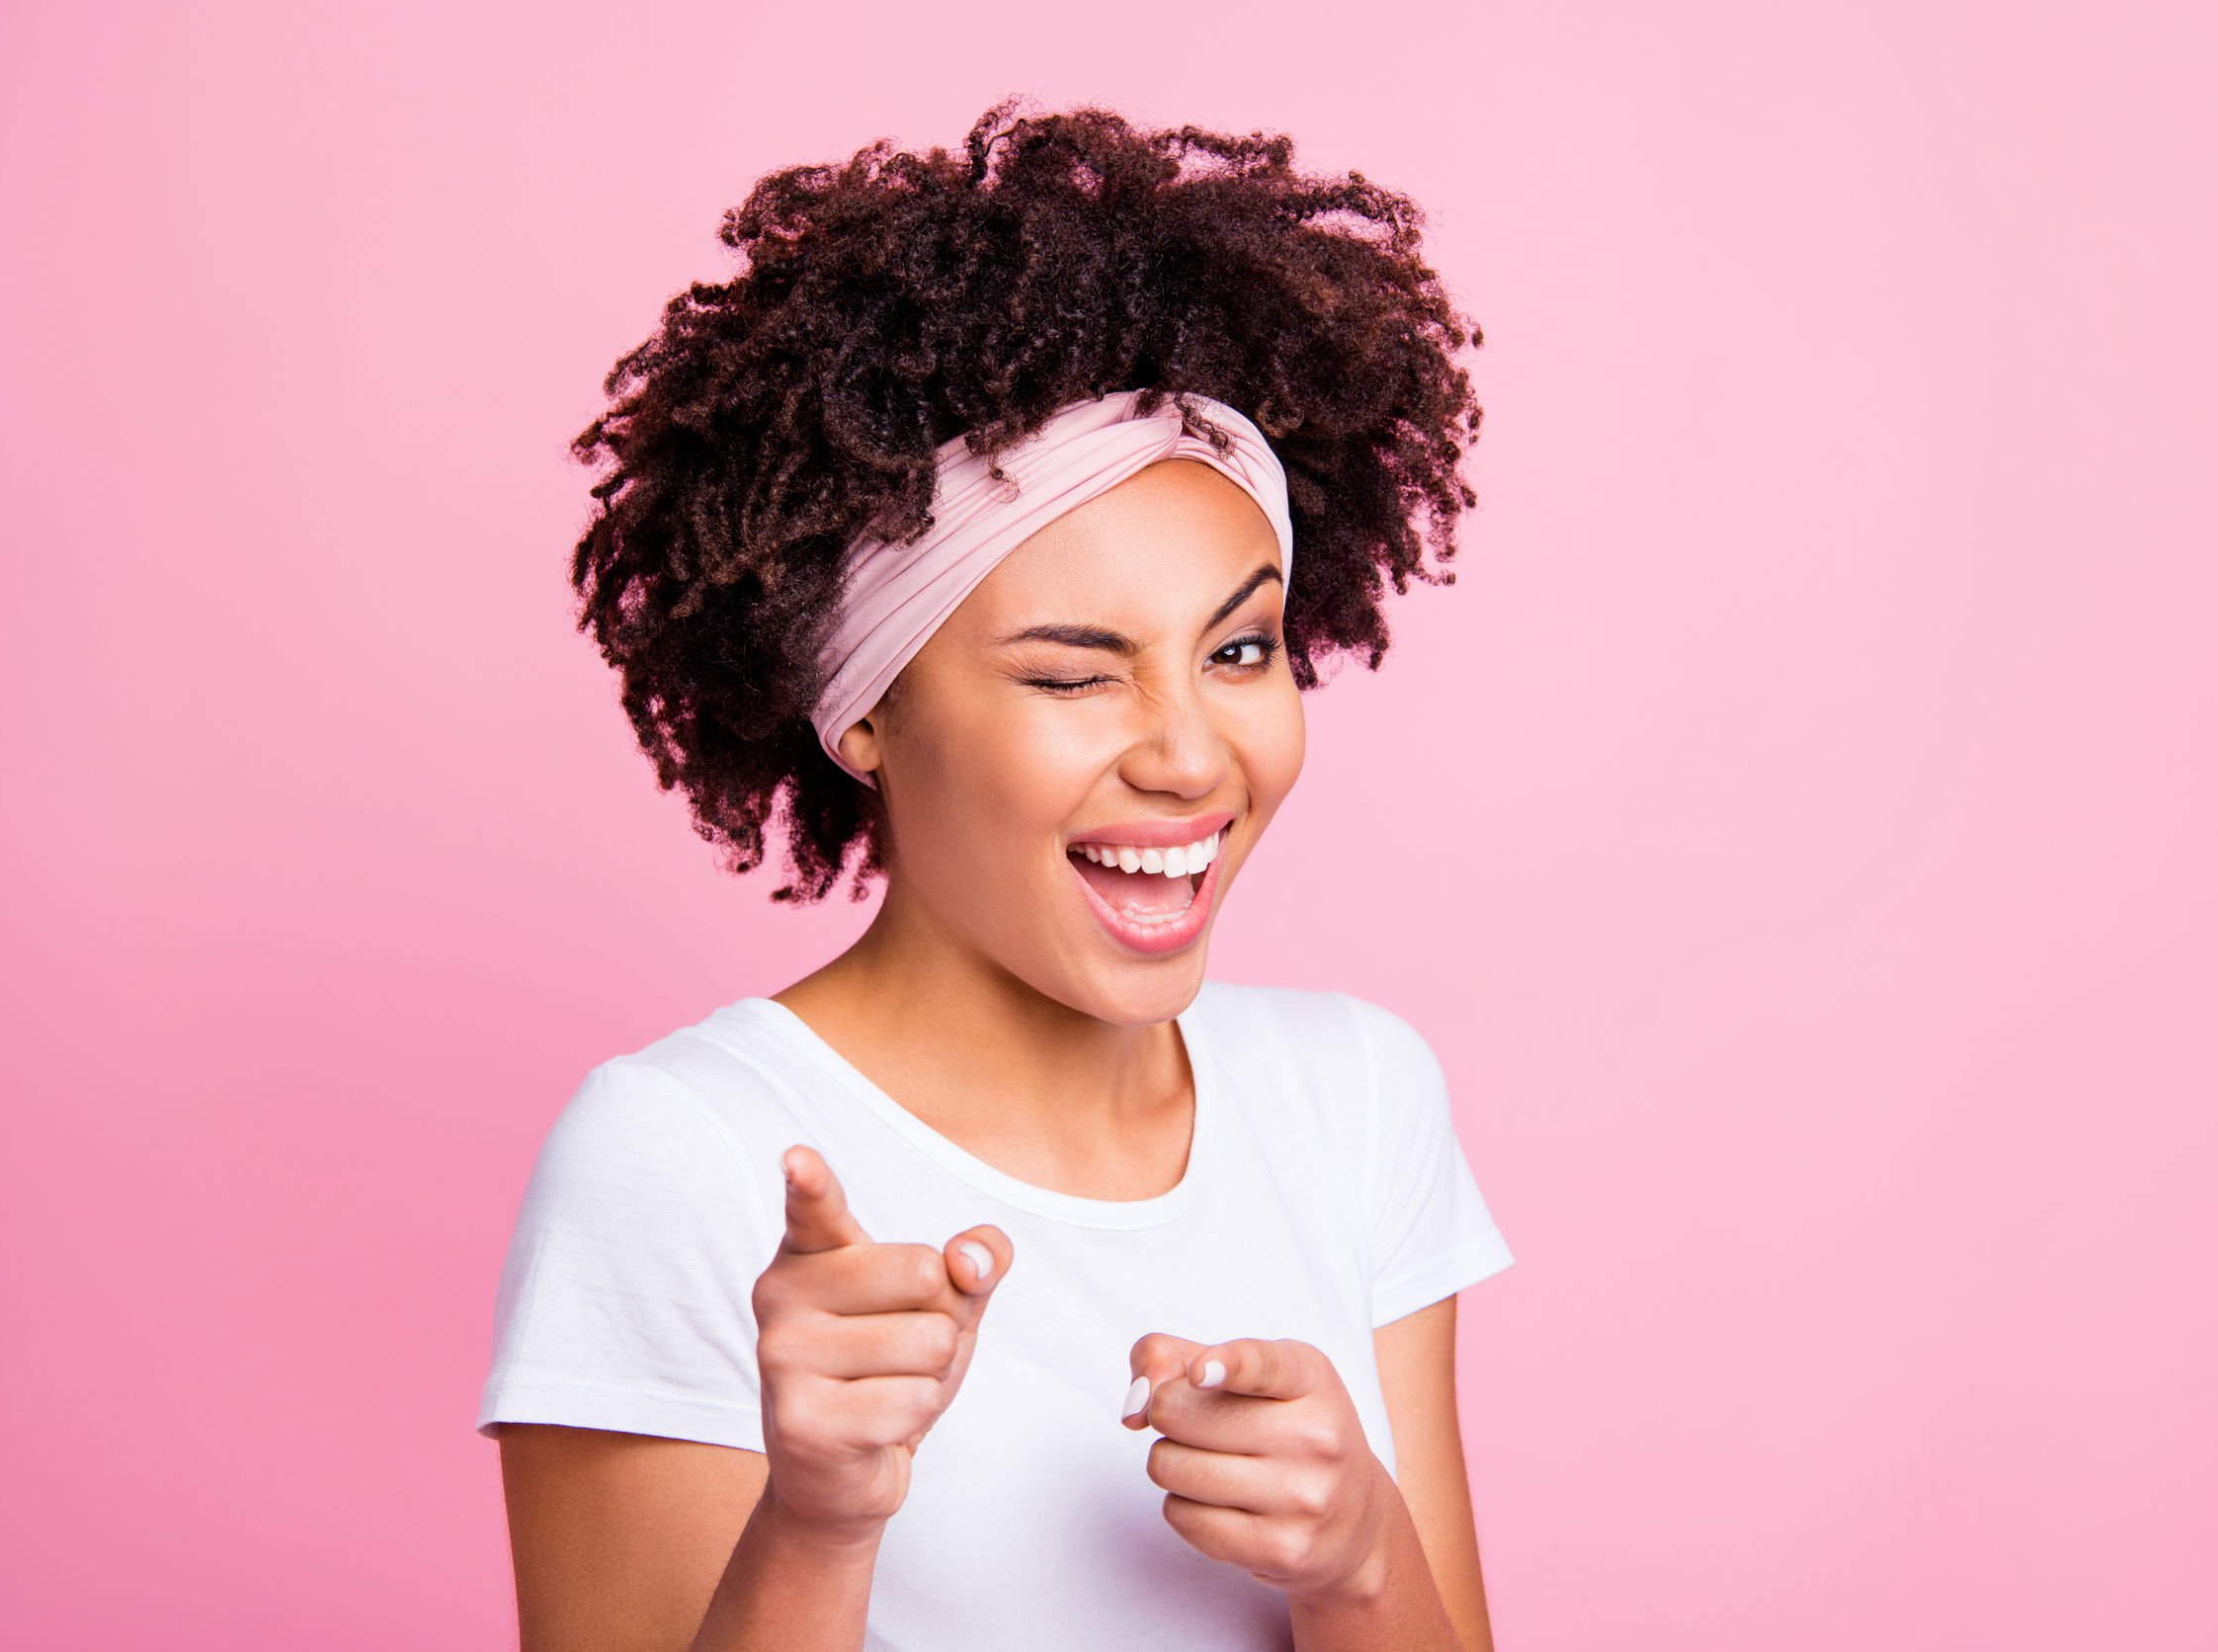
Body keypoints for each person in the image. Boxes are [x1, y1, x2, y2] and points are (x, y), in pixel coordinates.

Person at [477, 99, 1513, 1651]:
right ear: (869, 715)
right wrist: (817, 1521)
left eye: (1238, 651)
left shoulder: (1356, 1099)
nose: (1188, 757)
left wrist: (1360, 1563)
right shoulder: (689, 1157)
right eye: (1071, 677)